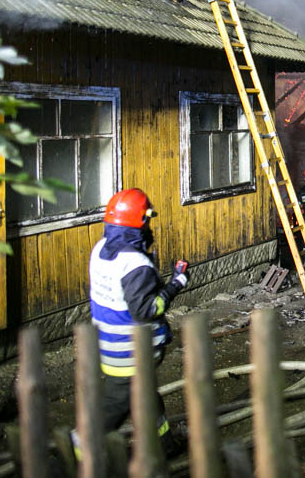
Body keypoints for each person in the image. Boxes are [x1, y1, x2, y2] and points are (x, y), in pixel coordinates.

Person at [87, 188, 189, 455]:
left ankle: (164, 445)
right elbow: (147, 309)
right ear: (141, 221)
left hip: (109, 343)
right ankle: (73, 454)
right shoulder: (134, 263)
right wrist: (176, 284)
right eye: (147, 221)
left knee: (145, 394)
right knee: (113, 407)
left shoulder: (101, 249)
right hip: (130, 351)